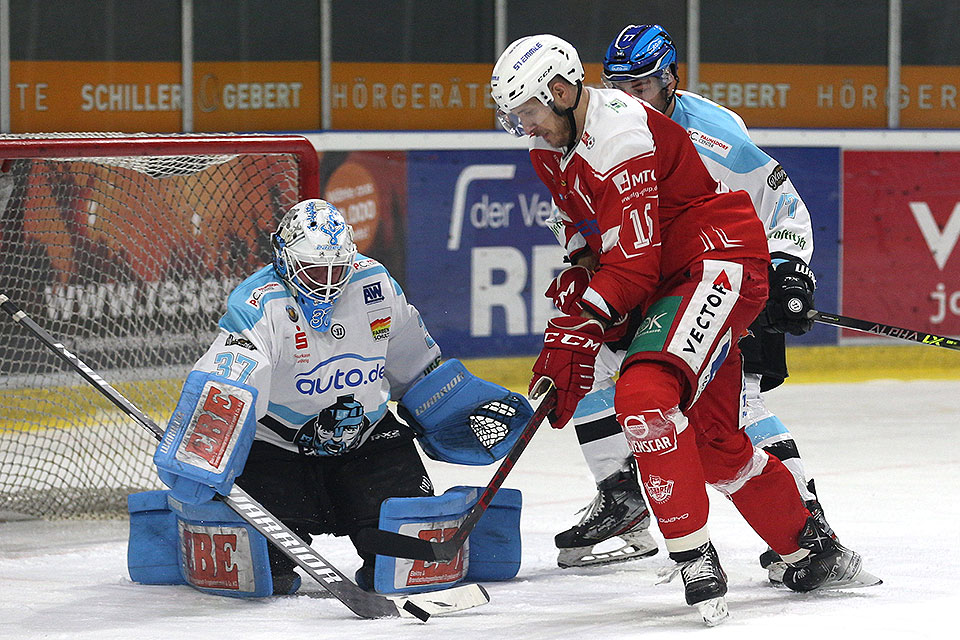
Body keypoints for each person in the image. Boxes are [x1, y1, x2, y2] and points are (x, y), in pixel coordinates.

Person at [491, 34, 879, 625]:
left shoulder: (625, 132)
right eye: (516, 118)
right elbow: (582, 230)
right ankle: (811, 547)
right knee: (716, 443)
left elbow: (640, 260)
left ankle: (694, 556)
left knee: (644, 396)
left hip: (713, 262)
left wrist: (790, 269)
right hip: (665, 275)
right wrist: (578, 286)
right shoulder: (551, 145)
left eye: (530, 113)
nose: (526, 127)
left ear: (564, 92)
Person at [550, 23, 826, 582]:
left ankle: (805, 516)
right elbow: (576, 211)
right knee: (586, 363)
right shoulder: (595, 129)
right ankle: (621, 493)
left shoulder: (713, 136)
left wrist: (788, 269)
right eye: (620, 85)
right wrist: (591, 263)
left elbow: (779, 200)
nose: (630, 98)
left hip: (721, 272)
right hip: (655, 280)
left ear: (670, 79)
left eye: (644, 86)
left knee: (734, 405)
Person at [161, 198, 442, 594]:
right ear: (285, 259)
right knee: (262, 574)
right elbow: (230, 380)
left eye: (336, 269)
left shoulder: (374, 285)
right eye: (313, 269)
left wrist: (449, 401)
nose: (326, 281)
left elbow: (412, 359)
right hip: (278, 454)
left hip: (367, 445)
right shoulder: (258, 302)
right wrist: (203, 445)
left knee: (410, 563)